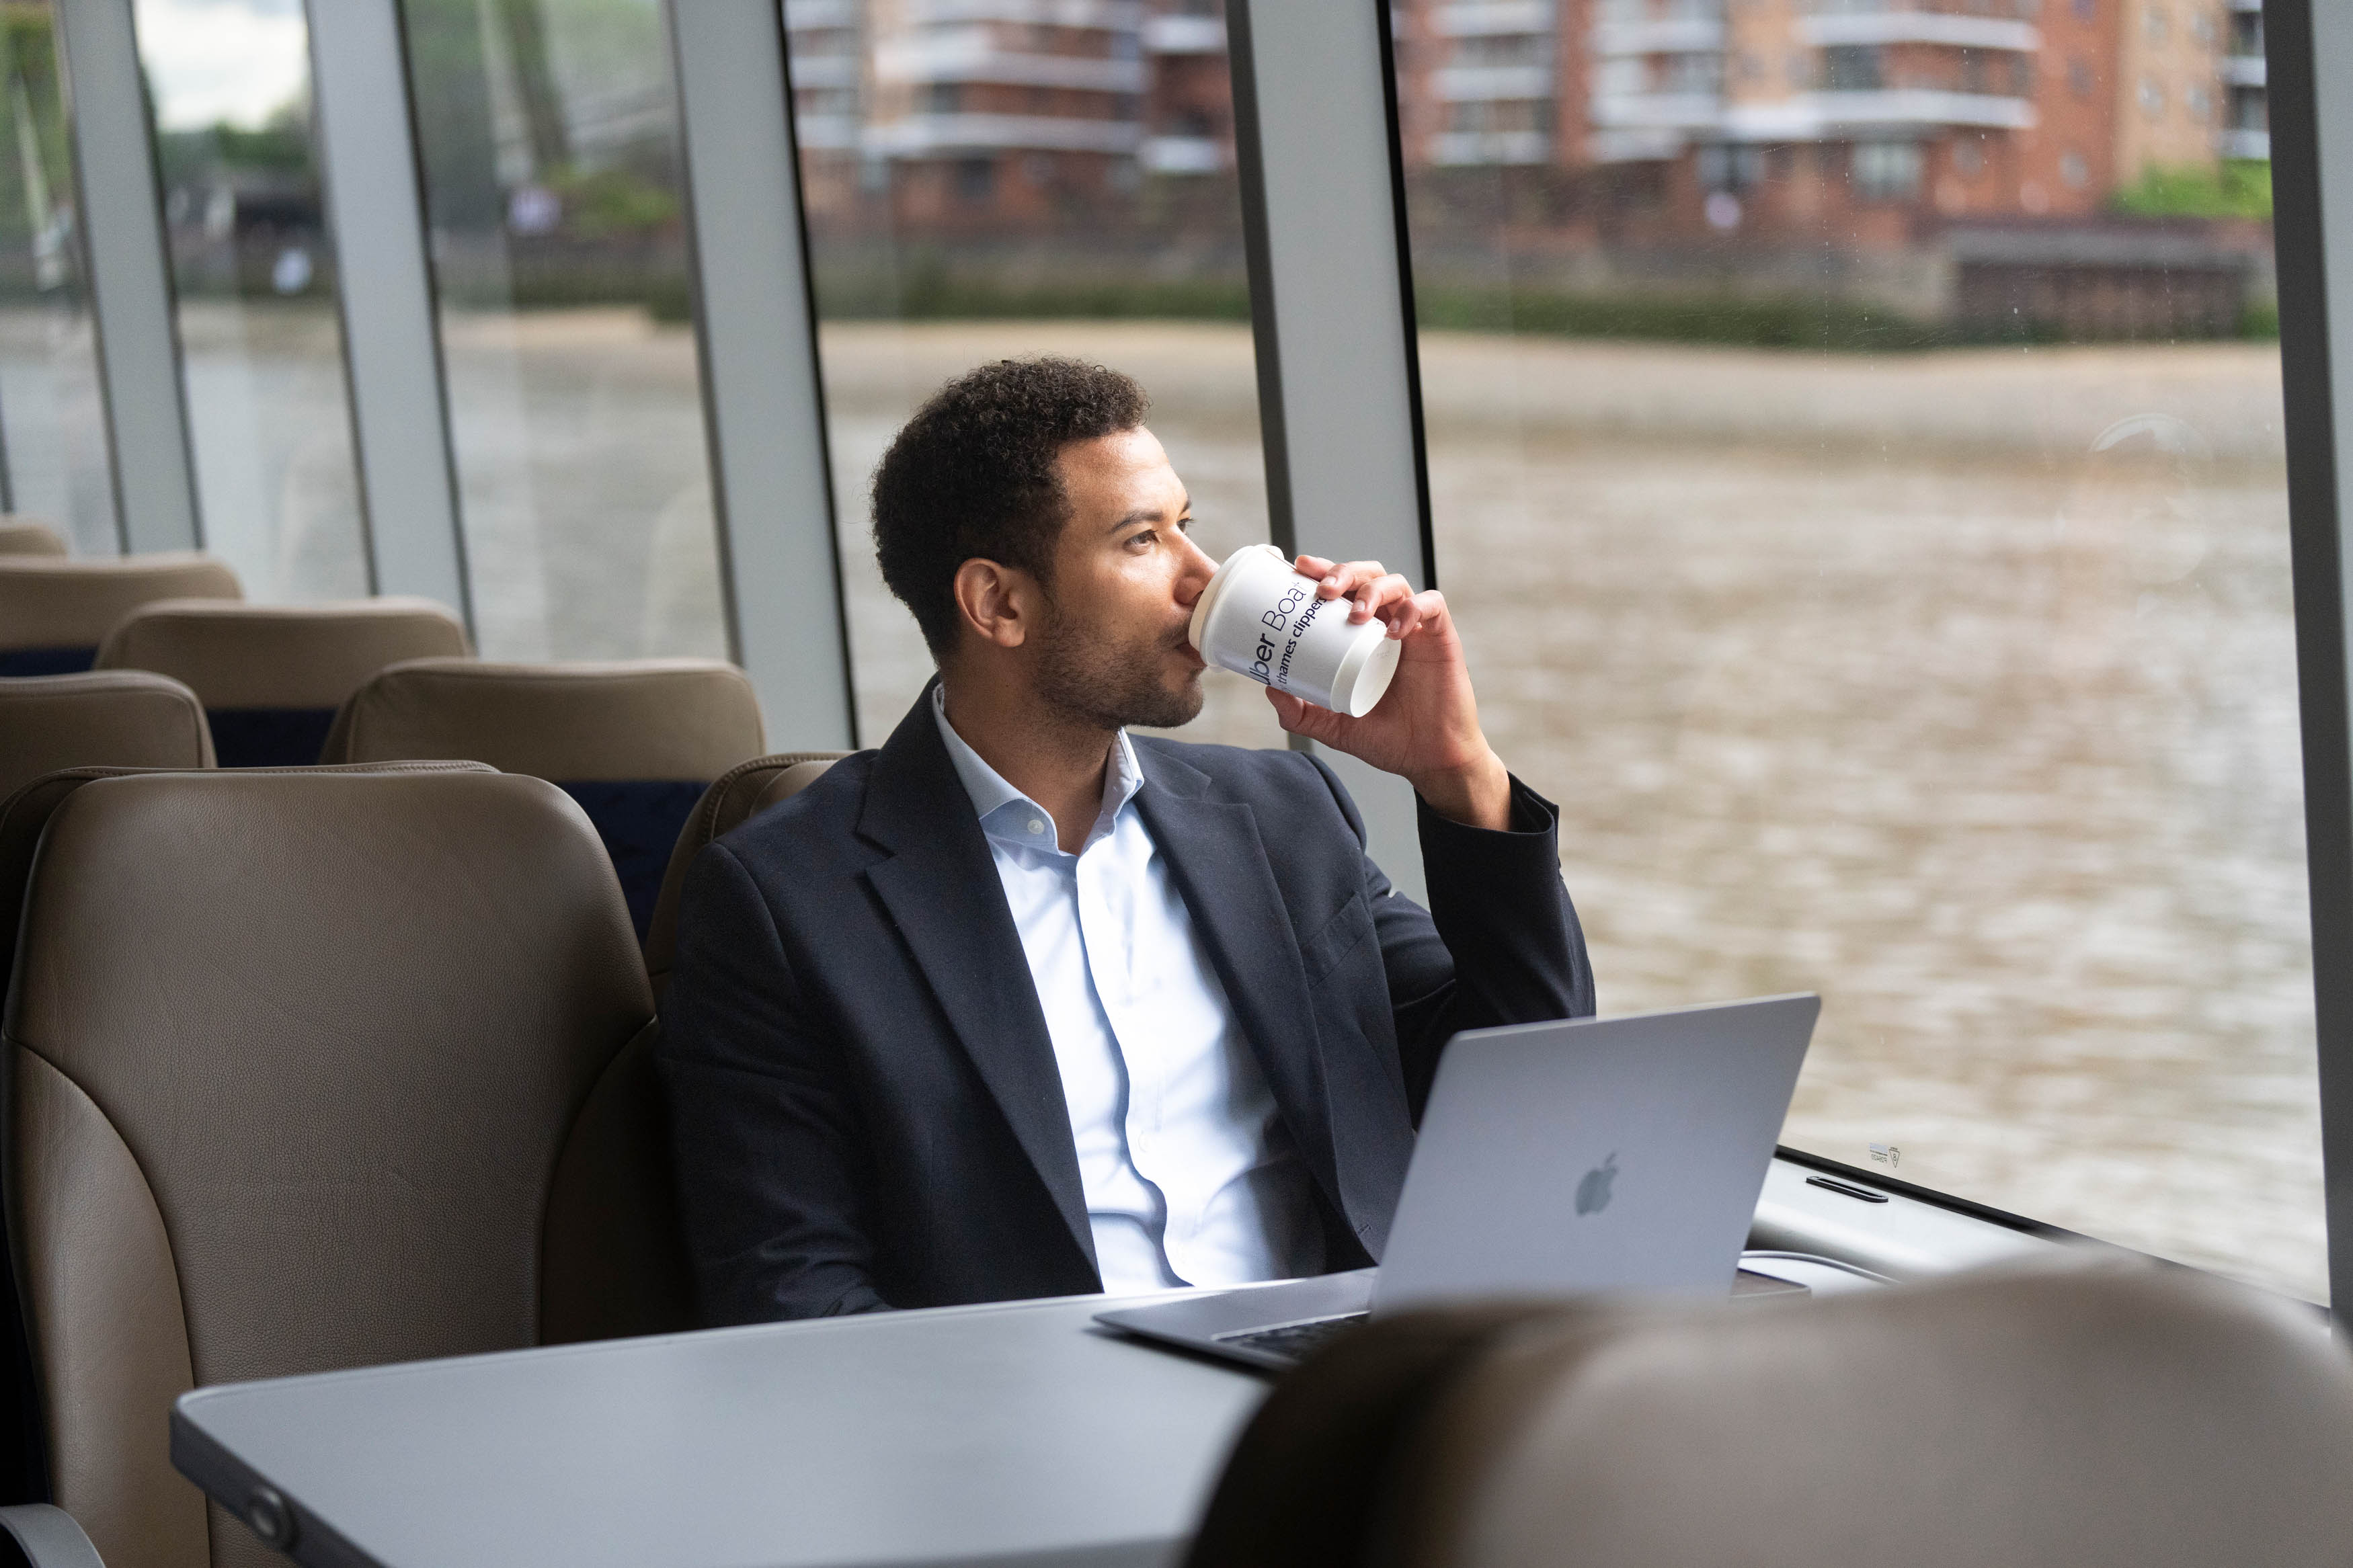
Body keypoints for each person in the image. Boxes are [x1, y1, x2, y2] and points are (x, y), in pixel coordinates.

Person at [660, 358, 1594, 1323]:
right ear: (999, 605)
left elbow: (1531, 1088)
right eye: (1143, 540)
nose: (1203, 579)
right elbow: (792, 1292)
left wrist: (1459, 772)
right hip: (1044, 1430)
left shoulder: (1283, 817)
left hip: (1343, 1391)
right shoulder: (784, 900)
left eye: (1185, 525)